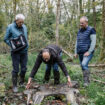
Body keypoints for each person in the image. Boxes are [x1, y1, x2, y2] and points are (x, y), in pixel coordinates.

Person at [4, 14, 28, 92]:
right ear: (16, 20)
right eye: (20, 22)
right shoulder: (10, 27)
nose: (21, 24)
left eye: (22, 22)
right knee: (16, 69)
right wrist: (12, 45)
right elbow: (5, 39)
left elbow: (25, 37)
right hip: (16, 52)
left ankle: (21, 82)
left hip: (24, 51)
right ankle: (14, 86)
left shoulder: (24, 27)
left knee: (24, 68)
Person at [74, 16, 96, 87]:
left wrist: (89, 51)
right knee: (82, 66)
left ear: (86, 22)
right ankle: (85, 81)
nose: (81, 24)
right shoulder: (79, 31)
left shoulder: (91, 30)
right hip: (80, 52)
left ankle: (87, 82)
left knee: (84, 64)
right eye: (80, 23)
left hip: (87, 52)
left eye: (82, 23)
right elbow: (77, 42)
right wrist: (75, 52)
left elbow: (93, 42)